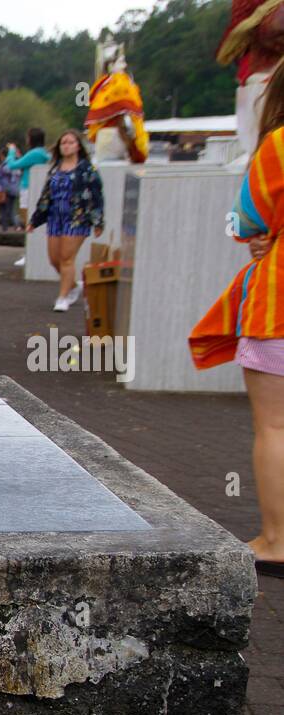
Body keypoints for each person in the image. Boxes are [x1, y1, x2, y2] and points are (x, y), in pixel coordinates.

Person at [190, 62, 284, 578]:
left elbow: (244, 219)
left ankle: (275, 539)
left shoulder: (279, 147)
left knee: (274, 426)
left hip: (279, 306)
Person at [27, 130, 104, 313]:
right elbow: (46, 196)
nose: (66, 146)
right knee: (54, 259)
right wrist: (35, 220)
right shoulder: (55, 169)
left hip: (77, 218)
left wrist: (98, 221)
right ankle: (74, 285)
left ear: (78, 146)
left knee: (66, 258)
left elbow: (96, 196)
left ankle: (62, 298)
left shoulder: (86, 169)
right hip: (55, 217)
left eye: (70, 142)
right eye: (63, 143)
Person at [5, 128, 51, 266]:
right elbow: (25, 163)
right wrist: (20, 157)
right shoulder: (42, 153)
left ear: (31, 139)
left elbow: (12, 165)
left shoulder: (35, 153)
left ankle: (29, 255)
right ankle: (32, 253)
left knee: (28, 222)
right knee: (32, 222)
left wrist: (11, 151)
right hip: (34, 189)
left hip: (28, 189)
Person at [0, 150, 20, 232]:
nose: (0, 158)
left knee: (3, 210)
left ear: (3, 156)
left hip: (5, 191)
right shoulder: (16, 165)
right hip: (15, 190)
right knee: (11, 210)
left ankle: (5, 228)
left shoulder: (4, 165)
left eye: (1, 156)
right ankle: (17, 226)